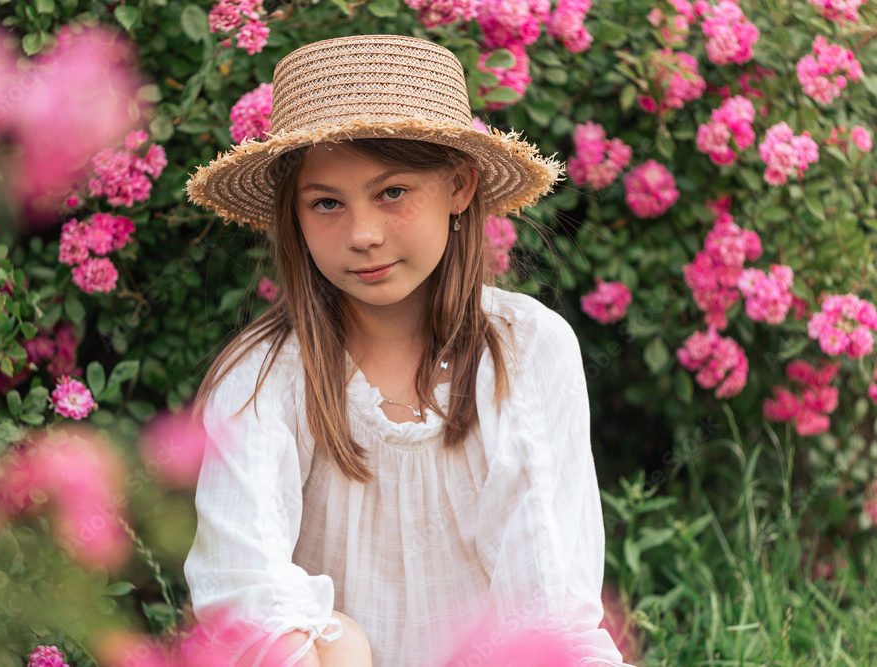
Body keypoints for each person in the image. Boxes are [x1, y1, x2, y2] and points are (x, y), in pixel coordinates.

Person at [183, 34, 632, 667]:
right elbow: (245, 592)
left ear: (459, 187)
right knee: (339, 642)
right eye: (326, 203)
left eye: (392, 192)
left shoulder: (526, 349)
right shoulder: (264, 377)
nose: (363, 234)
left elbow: (547, 598)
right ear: (295, 216)